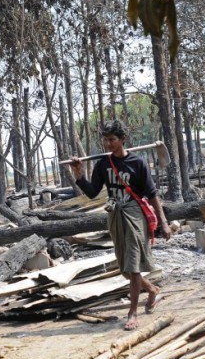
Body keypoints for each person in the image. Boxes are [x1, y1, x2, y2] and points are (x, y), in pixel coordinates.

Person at [69, 120, 171, 330]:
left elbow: (152, 195)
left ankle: (132, 313)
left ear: (123, 139)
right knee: (125, 268)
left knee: (133, 266)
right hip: (115, 216)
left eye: (112, 139)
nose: (108, 144)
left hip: (135, 215)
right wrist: (78, 173)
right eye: (105, 140)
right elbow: (92, 192)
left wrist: (164, 222)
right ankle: (151, 289)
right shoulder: (103, 164)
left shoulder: (137, 163)